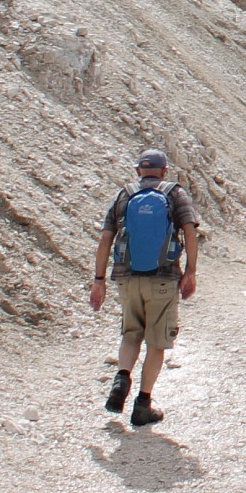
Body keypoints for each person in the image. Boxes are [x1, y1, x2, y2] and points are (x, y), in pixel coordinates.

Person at [90, 149, 199, 427]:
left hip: (127, 278)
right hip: (163, 278)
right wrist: (190, 272)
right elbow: (189, 232)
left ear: (139, 170)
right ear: (164, 171)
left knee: (130, 334)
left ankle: (121, 378)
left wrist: (99, 280)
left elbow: (105, 239)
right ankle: (142, 405)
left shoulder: (124, 195)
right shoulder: (175, 194)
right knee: (156, 342)